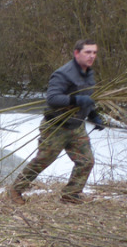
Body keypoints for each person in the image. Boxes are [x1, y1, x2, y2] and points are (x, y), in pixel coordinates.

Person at [8, 40, 104, 205]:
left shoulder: (89, 74)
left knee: (86, 161)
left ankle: (71, 194)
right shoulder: (63, 74)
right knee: (43, 160)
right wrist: (76, 99)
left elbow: (88, 99)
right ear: (76, 53)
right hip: (56, 126)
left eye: (94, 52)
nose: (92, 56)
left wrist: (93, 115)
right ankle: (15, 190)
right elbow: (52, 99)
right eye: (88, 52)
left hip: (77, 126)